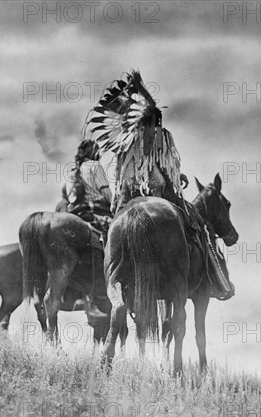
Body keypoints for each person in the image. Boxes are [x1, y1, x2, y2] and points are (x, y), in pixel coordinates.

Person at [84, 70, 230, 299]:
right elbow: (168, 170)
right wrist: (178, 180)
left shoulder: (127, 139)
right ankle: (218, 282)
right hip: (161, 192)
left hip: (128, 196)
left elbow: (123, 176)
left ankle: (110, 285)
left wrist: (140, 88)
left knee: (111, 235)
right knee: (199, 228)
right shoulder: (163, 136)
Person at [59, 139, 113, 317]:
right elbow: (106, 193)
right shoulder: (94, 166)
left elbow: (67, 197)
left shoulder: (73, 171)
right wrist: (115, 204)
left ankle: (75, 294)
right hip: (97, 211)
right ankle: (104, 291)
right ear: (94, 152)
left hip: (75, 214)